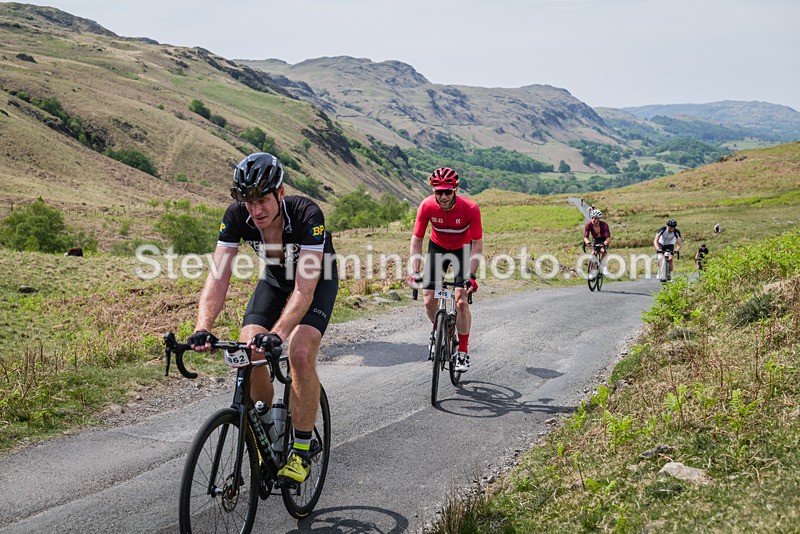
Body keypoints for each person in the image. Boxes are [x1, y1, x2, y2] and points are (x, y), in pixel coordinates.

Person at [187, 152, 338, 484]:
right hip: (274, 280)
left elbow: (304, 289)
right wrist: (203, 326)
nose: (255, 210)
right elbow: (219, 275)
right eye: (249, 202)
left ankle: (301, 451)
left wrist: (279, 333)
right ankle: (266, 432)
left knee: (300, 352)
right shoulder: (236, 216)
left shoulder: (307, 215)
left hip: (316, 281)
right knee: (248, 350)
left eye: (263, 200)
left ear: (280, 193)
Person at [408, 167, 482, 372]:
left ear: (455, 189)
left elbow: (477, 244)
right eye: (438, 192)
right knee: (428, 299)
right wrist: (415, 272)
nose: (443, 196)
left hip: (462, 249)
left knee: (461, 301)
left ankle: (463, 352)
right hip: (438, 248)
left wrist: (471, 275)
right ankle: (439, 329)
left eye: (447, 192)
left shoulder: (470, 208)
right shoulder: (427, 206)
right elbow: (417, 240)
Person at [583, 209, 611, 277]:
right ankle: (592, 271)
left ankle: (604, 267)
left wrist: (604, 244)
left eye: (595, 218)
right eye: (592, 217)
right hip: (595, 239)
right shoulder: (588, 225)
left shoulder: (604, 225)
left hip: (604, 240)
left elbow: (608, 238)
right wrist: (588, 242)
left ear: (599, 219)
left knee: (603, 251)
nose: (593, 219)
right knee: (593, 253)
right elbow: (585, 237)